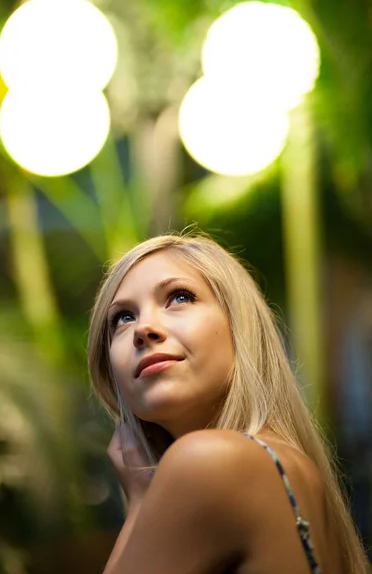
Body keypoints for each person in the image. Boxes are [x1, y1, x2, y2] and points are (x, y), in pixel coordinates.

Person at [88, 230, 370, 574]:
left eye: (179, 297)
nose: (143, 328)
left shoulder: (209, 461)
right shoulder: (290, 465)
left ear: (241, 328)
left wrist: (140, 507)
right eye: (123, 318)